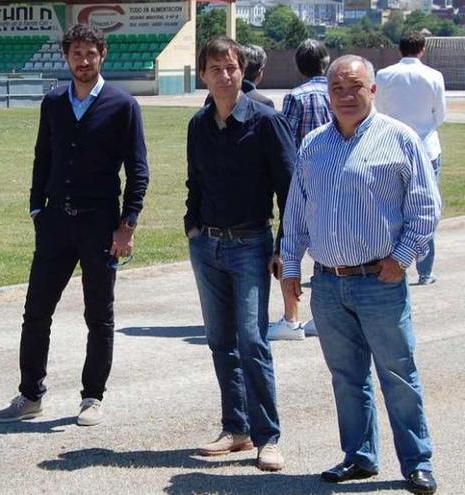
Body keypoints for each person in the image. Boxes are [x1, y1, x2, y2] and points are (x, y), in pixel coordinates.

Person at [281, 55, 440, 495]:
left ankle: (417, 462)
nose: (346, 96)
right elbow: (296, 211)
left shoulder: (400, 139)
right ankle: (359, 457)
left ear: (372, 90)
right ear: (327, 93)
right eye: (337, 88)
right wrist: (291, 267)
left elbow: (426, 208)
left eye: (355, 87)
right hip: (328, 283)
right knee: (347, 377)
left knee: (397, 374)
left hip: (380, 282)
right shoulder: (314, 144)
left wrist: (402, 257)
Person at [0, 24, 149, 427]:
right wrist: (35, 209)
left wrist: (127, 224)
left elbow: (138, 170)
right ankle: (30, 395)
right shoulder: (54, 101)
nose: (83, 61)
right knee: (36, 311)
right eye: (76, 53)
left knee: (99, 315)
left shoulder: (122, 105)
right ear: (67, 57)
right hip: (55, 223)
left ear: (102, 55)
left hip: (100, 225)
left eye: (90, 53)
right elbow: (42, 157)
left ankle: (92, 397)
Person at [184, 36, 295, 471]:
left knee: (252, 340)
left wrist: (286, 246)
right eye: (216, 68)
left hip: (251, 244)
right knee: (220, 341)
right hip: (206, 244)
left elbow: (291, 190)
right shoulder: (198, 124)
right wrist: (192, 227)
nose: (225, 75)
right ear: (203, 75)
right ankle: (237, 428)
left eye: (232, 67)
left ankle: (269, 436)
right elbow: (194, 182)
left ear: (242, 71)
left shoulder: (266, 121)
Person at [269, 38, 333, 341]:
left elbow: (286, 139)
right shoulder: (335, 92)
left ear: (298, 65)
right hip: (333, 179)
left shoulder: (296, 97)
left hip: (303, 178)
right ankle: (323, 316)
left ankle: (291, 317)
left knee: (289, 246)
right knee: (327, 248)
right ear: (326, 62)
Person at [376, 31, 447, 286]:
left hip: (391, 147)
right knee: (425, 207)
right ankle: (425, 270)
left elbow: (379, 111)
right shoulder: (434, 76)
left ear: (399, 49)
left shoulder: (383, 75)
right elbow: (440, 114)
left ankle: (390, 265)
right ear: (422, 49)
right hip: (426, 147)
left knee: (391, 206)